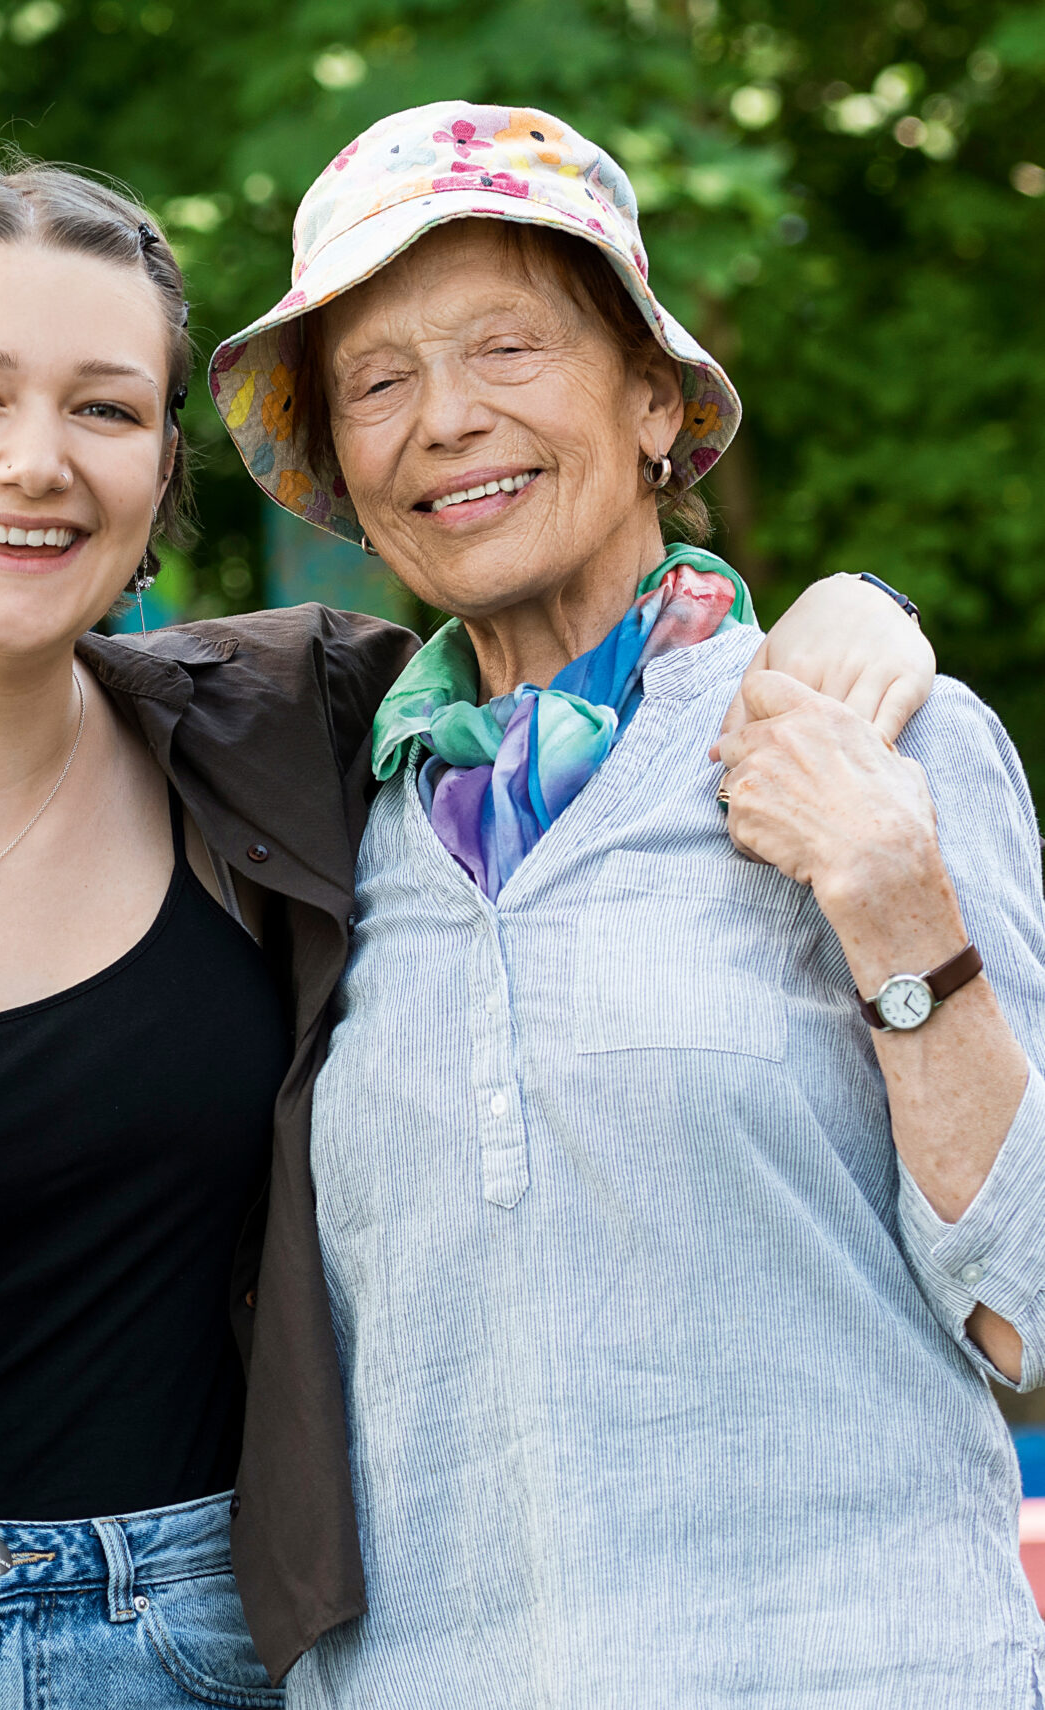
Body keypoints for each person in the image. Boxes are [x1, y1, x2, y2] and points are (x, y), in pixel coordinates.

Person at [0, 156, 932, 1710]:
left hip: (248, 1649)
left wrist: (855, 606)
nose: (35, 462)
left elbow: (597, 642)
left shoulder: (293, 738)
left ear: (161, 466)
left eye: (101, 408)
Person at [208, 102, 1045, 1706]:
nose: (443, 418)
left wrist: (888, 896)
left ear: (652, 397)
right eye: (376, 381)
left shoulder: (877, 743)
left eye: (508, 346)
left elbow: (1033, 1319)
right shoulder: (319, 821)